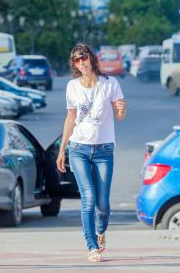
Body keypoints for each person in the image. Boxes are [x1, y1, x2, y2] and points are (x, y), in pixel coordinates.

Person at [56, 43, 126, 262]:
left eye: (83, 57)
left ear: (92, 58)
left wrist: (122, 109)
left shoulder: (110, 83)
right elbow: (70, 118)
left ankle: (101, 231)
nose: (81, 62)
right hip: (78, 149)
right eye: (76, 60)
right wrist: (62, 149)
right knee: (88, 198)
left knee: (103, 204)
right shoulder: (72, 87)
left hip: (104, 149)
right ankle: (91, 246)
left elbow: (119, 114)